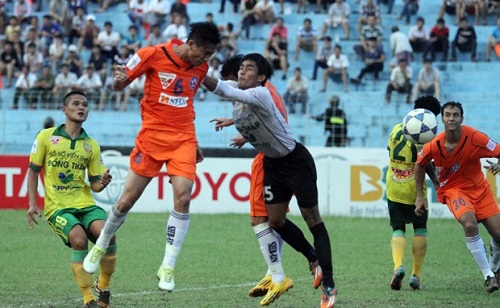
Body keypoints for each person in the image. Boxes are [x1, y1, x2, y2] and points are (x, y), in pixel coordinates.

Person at [83, 22, 221, 293]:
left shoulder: (201, 68)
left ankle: (168, 265)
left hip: (183, 139)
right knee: (125, 201)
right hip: (151, 138)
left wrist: (195, 143)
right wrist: (119, 78)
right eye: (203, 52)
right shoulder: (151, 53)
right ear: (190, 43)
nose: (205, 59)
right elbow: (118, 86)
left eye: (210, 55)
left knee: (183, 196)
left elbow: (187, 104)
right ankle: (100, 245)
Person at [202, 53, 337, 308]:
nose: (242, 72)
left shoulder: (262, 93)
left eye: (249, 69)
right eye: (241, 68)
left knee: (313, 220)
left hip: (295, 160)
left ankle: (329, 285)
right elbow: (217, 85)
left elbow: (219, 88)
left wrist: (193, 70)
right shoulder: (237, 91)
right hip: (272, 163)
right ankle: (312, 258)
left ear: (261, 77)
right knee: (275, 221)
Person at [27, 91, 115, 308]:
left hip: (85, 203)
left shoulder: (91, 145)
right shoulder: (46, 137)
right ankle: (88, 299)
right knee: (79, 240)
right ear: (64, 110)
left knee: (108, 235)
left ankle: (103, 285)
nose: (81, 107)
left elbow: (94, 184)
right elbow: (33, 170)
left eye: (85, 104)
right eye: (76, 104)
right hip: (58, 207)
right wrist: (32, 203)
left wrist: (102, 182)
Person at [415, 101, 500, 293]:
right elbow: (420, 163)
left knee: (499, 235)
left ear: (462, 118)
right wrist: (420, 195)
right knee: (469, 225)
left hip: (480, 189)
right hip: (453, 190)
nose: (451, 118)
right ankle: (488, 275)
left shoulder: (475, 137)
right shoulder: (434, 145)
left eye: (455, 115)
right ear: (442, 118)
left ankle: (495, 267)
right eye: (447, 115)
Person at [386, 95, 441, 291]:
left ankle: (398, 266)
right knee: (420, 228)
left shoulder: (396, 128)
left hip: (394, 186)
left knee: (398, 228)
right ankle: (415, 275)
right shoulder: (424, 134)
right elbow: (423, 163)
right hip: (414, 189)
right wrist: (435, 182)